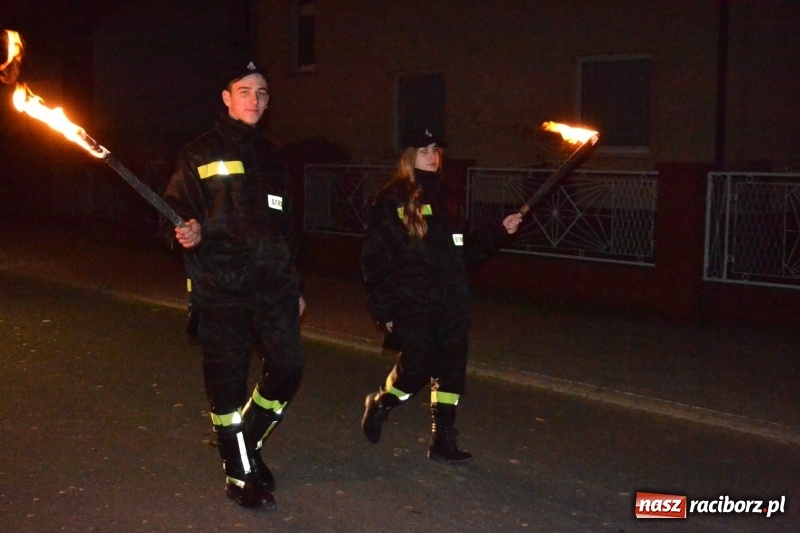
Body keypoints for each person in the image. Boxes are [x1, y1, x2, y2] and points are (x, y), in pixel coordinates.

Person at [160, 60, 305, 509]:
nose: (255, 100)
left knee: (289, 368)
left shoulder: (273, 157)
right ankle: (238, 471)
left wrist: (295, 285)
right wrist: (185, 230)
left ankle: (248, 437)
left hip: (272, 286)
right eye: (245, 91)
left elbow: (288, 229)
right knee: (226, 383)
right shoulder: (197, 154)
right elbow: (176, 211)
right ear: (226, 97)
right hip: (220, 286)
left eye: (262, 93)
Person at [360, 127, 522, 462]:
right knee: (416, 368)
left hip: (452, 301)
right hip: (413, 303)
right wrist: (384, 309)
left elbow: (468, 253)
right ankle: (381, 403)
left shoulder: (448, 199)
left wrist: (498, 233)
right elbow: (376, 259)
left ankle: (443, 440)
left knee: (451, 370)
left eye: (436, 149)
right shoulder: (391, 200)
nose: (432, 156)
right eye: (424, 150)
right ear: (408, 156)